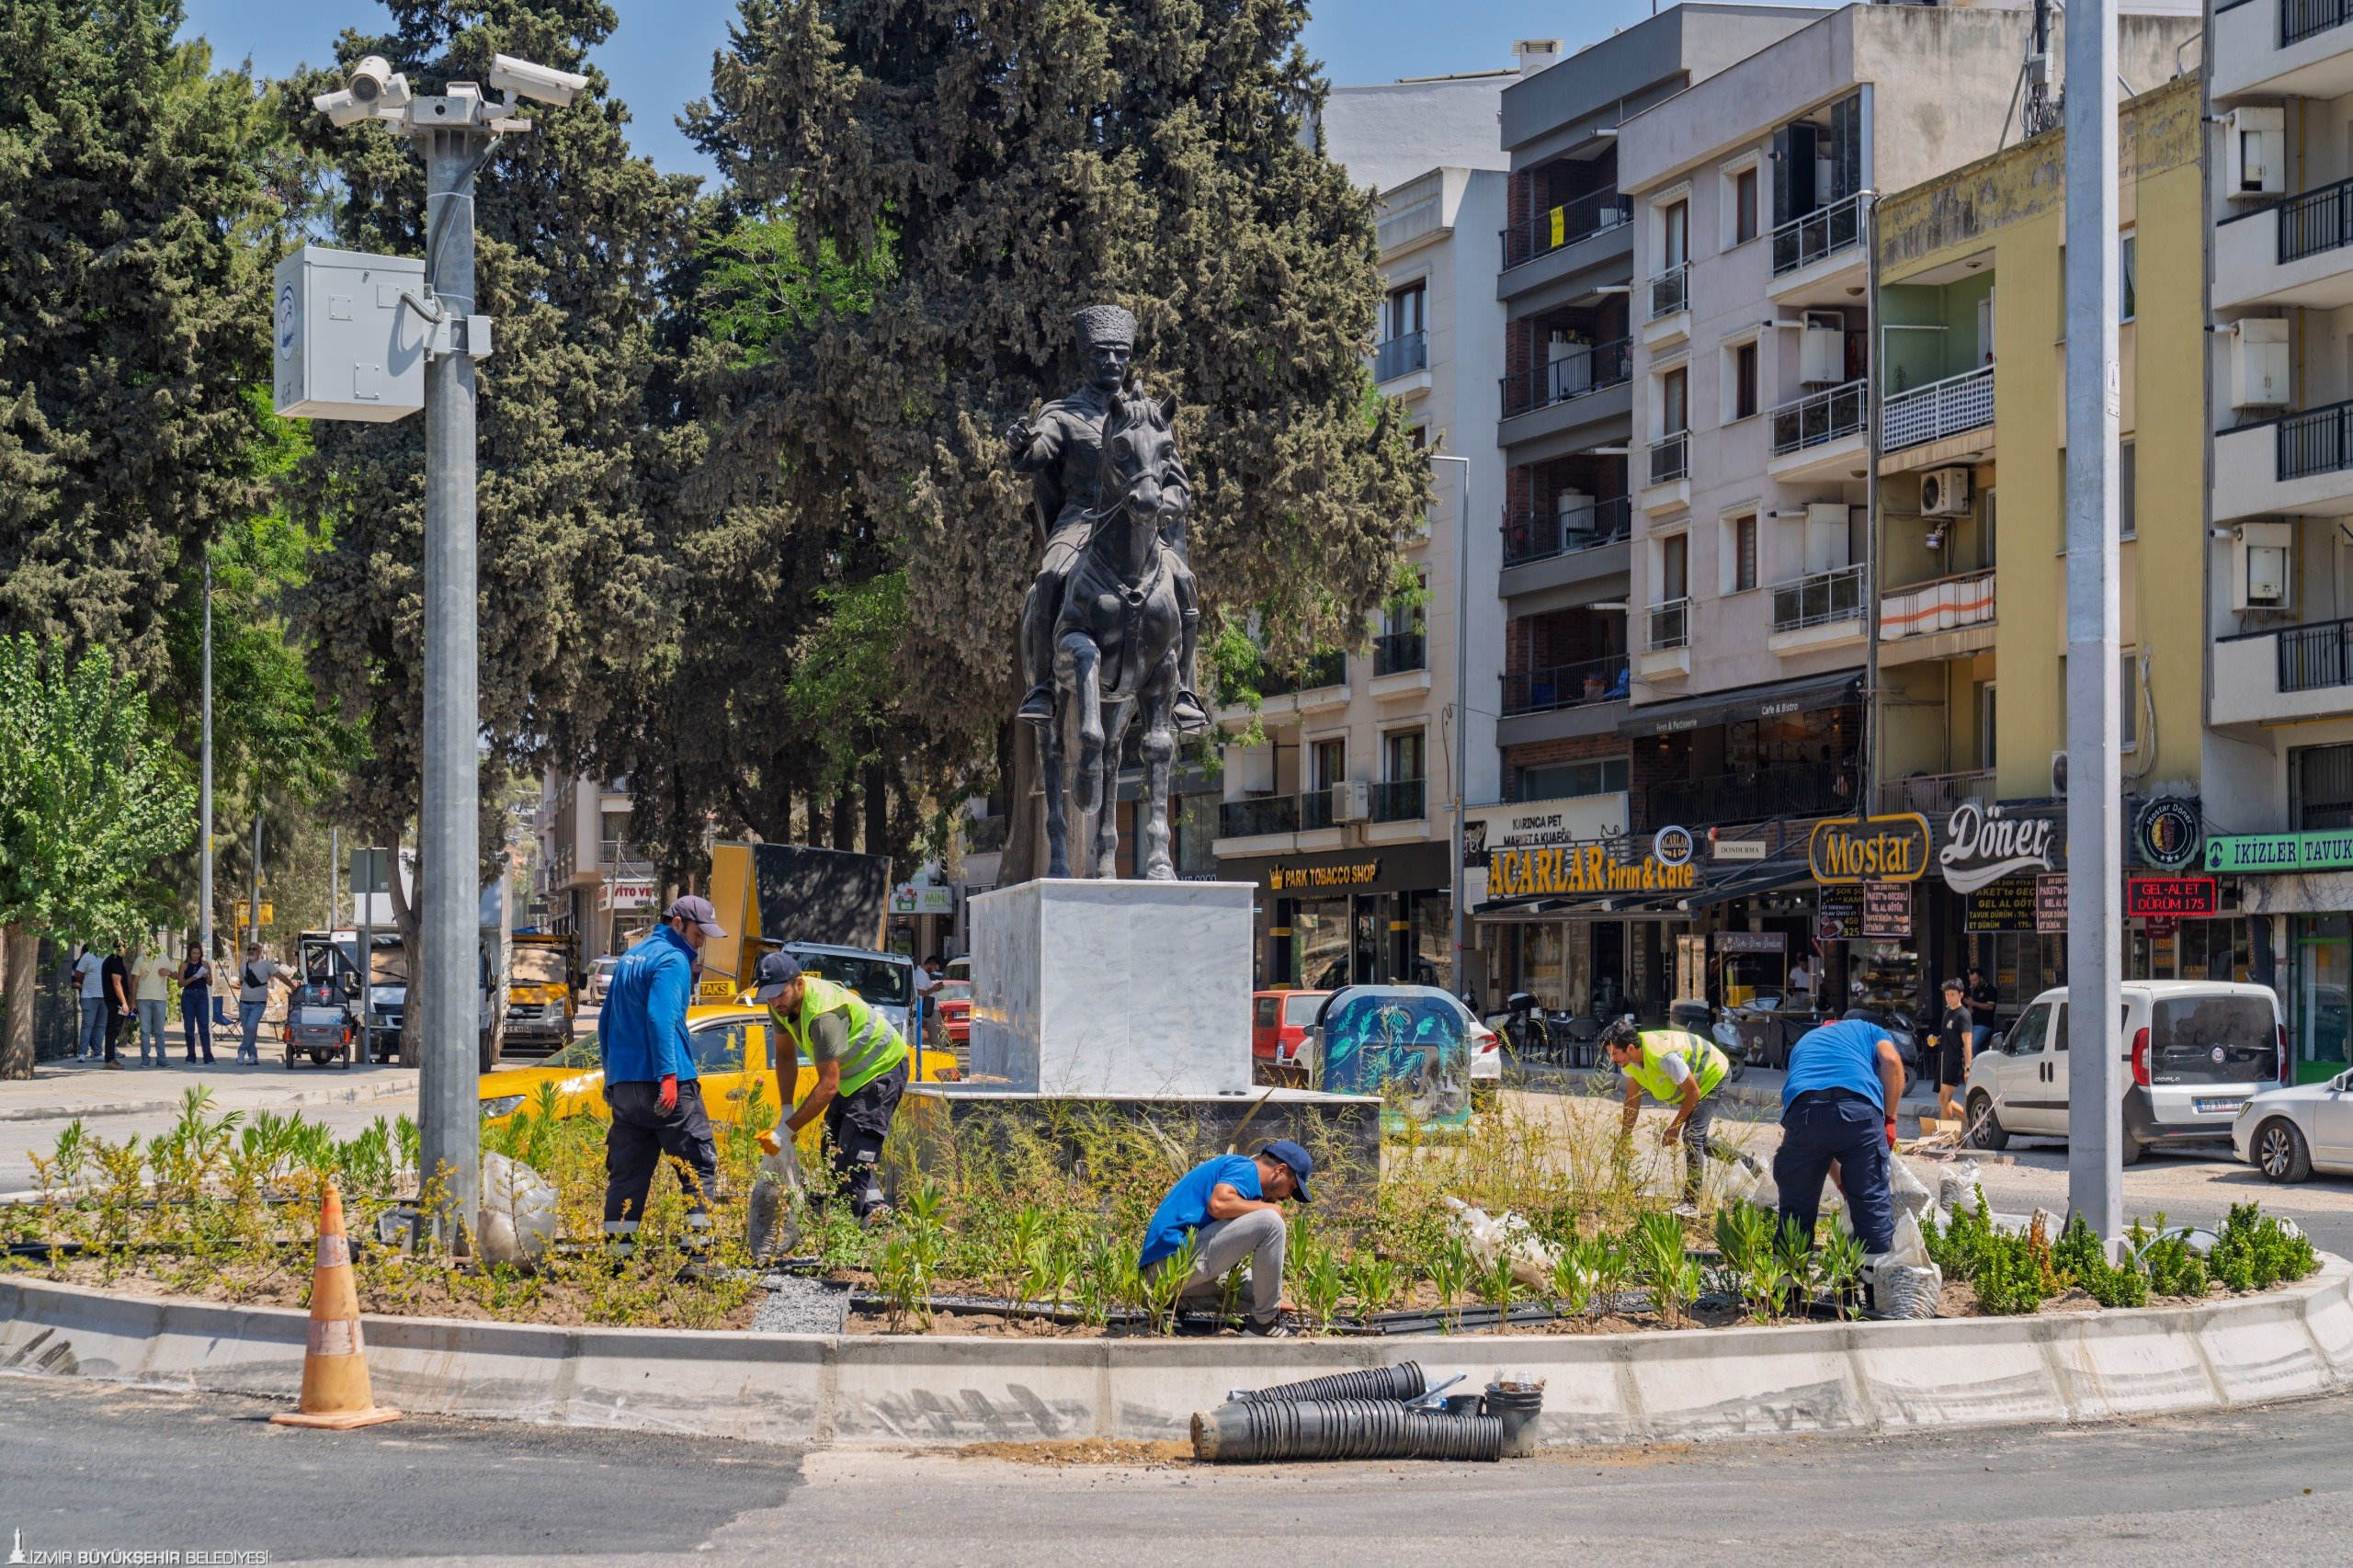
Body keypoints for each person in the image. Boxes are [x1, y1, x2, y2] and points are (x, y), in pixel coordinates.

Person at [1007, 303, 1206, 732]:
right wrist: (1023, 446)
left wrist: (1162, 506)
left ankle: (1185, 690)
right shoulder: (1063, 414)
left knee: (1185, 583)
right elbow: (1038, 452)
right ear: (1085, 358)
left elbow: (1179, 484)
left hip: (1141, 526)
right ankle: (1042, 687)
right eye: (1101, 353)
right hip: (1081, 520)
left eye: (1119, 353)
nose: (1112, 362)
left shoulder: (1149, 415)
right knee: (1049, 577)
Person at [598, 896, 726, 1236]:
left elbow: (605, 1021)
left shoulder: (630, 958)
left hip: (626, 1089)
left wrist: (612, 1077)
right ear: (678, 923)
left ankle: (617, 1258)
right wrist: (668, 1077)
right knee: (699, 1167)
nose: (702, 941)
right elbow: (660, 1019)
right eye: (700, 932)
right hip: (669, 1086)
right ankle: (696, 1259)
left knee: (627, 1175)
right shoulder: (673, 959)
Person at [754, 949, 911, 1224]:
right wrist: (786, 1110)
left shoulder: (822, 1015)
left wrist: (786, 1130)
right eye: (769, 995)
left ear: (799, 984)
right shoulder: (778, 1004)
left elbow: (827, 1086)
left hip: (881, 1070)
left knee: (853, 1156)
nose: (775, 1002)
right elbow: (786, 1055)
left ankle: (844, 1235)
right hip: (851, 1078)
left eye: (781, 994)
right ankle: (876, 1214)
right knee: (832, 1148)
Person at [1137, 1142, 1313, 1336]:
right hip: (1166, 1266)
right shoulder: (1246, 1169)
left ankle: (1170, 1305)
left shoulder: (1242, 1176)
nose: (1288, 1197)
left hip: (1162, 1280)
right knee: (1271, 1222)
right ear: (1280, 1170)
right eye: (1292, 1187)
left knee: (1265, 1292)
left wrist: (1271, 1298)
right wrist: (1269, 1208)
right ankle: (1264, 1324)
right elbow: (1218, 1204)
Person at [1774, 1009, 1906, 1257]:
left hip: (1804, 1113)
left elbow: (1825, 1143)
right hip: (1858, 1112)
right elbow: (1890, 1061)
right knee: (1871, 1210)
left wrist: (1843, 1185)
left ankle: (1786, 1292)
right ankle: (1873, 1293)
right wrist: (1889, 1120)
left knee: (1795, 1212)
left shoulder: (1807, 1039)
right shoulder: (1869, 1029)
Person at [1599, 1018, 1760, 1217]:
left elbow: (1693, 1092)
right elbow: (1632, 1100)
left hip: (1713, 1073)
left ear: (1630, 1048)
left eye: (1614, 1053)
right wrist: (1624, 1137)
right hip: (1693, 1083)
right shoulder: (1629, 1061)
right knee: (1698, 1139)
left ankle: (1691, 1204)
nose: (1611, 1059)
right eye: (1610, 1054)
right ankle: (1748, 1163)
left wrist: (1674, 1127)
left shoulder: (1665, 1057)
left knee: (1691, 1136)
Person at [235, 943, 287, 1066]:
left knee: (251, 1027)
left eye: (254, 949)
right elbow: (242, 982)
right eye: (249, 949)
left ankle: (242, 1050)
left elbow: (279, 976)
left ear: (260, 951)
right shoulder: (242, 967)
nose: (251, 951)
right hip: (243, 1004)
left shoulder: (266, 965)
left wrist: (293, 987)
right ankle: (253, 1056)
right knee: (248, 1031)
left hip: (258, 1004)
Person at [1935, 977, 1974, 1123]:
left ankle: (1946, 1139)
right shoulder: (1948, 1013)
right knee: (1942, 1100)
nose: (1949, 998)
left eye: (1952, 994)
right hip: (1944, 1059)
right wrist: (1937, 1040)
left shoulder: (1963, 1015)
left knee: (1945, 1099)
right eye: (1947, 994)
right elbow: (1949, 1035)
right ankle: (1972, 1121)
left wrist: (1968, 1067)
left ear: (1961, 995)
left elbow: (1968, 1042)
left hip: (1955, 1061)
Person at [133, 944, 171, 1066]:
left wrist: (168, 973)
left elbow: (176, 974)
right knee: (145, 1030)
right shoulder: (140, 960)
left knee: (159, 1030)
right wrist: (132, 1001)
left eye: (154, 944)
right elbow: (134, 982)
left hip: (160, 998)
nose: (151, 947)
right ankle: (145, 1058)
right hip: (143, 998)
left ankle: (161, 1058)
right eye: (148, 945)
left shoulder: (164, 958)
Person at [178, 945, 216, 1065]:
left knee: (204, 1027)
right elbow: (180, 984)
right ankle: (191, 1055)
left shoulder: (205, 965)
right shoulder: (184, 965)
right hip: (188, 996)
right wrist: (192, 978)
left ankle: (208, 1055)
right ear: (189, 953)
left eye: (198, 953)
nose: (196, 955)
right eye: (194, 953)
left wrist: (206, 977)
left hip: (202, 996)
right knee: (189, 1028)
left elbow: (210, 983)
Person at [72, 943, 108, 1062]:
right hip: (89, 996)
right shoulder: (88, 956)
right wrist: (85, 985)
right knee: (87, 1025)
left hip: (105, 997)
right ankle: (82, 1053)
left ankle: (97, 1053)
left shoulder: (109, 955)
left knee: (101, 1025)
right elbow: (78, 974)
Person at [99, 940, 131, 1070]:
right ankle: (109, 1059)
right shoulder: (116, 961)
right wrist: (124, 1002)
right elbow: (116, 983)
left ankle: (111, 1058)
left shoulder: (109, 960)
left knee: (113, 1030)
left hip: (112, 1001)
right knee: (113, 1030)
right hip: (116, 1003)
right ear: (122, 948)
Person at [1965, 966, 1999, 1056]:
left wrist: (1974, 1003)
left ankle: (1974, 1065)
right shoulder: (1975, 990)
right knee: (1964, 1045)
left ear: (1981, 978)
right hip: (1973, 1023)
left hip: (1984, 1024)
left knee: (1972, 1046)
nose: (1972, 982)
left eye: (1975, 980)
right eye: (1971, 980)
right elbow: (1975, 1005)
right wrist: (1970, 1009)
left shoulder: (1990, 989)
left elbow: (1990, 1006)